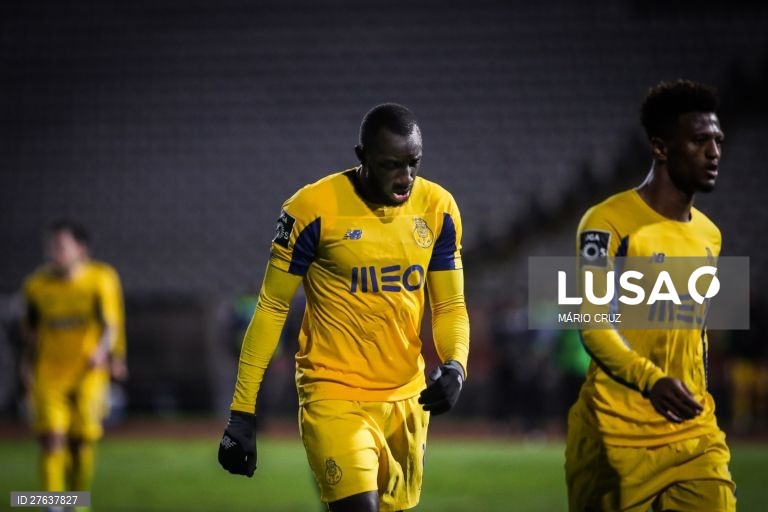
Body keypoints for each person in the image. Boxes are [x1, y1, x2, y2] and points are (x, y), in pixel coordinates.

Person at [218, 103, 470, 512]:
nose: (406, 177)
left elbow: (450, 305)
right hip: (333, 392)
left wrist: (456, 364)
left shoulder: (438, 208)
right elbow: (271, 307)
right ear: (362, 157)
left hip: (407, 397)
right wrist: (242, 412)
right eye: (392, 165)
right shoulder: (311, 209)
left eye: (414, 163)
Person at [565, 80, 736, 511]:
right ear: (661, 148)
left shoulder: (709, 235)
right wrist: (651, 380)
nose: (714, 152)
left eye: (717, 140)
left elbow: (692, 333)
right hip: (616, 437)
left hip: (694, 433)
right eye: (699, 141)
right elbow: (593, 325)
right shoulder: (606, 223)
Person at [21, 221, 127, 511]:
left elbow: (111, 324)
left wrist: (109, 353)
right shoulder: (36, 286)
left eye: (61, 246)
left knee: (81, 443)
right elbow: (29, 334)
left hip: (88, 373)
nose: (55, 252)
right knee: (52, 438)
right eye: (51, 246)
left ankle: (76, 503)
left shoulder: (100, 279)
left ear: (81, 249)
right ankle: (52, 505)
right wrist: (25, 368)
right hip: (49, 373)